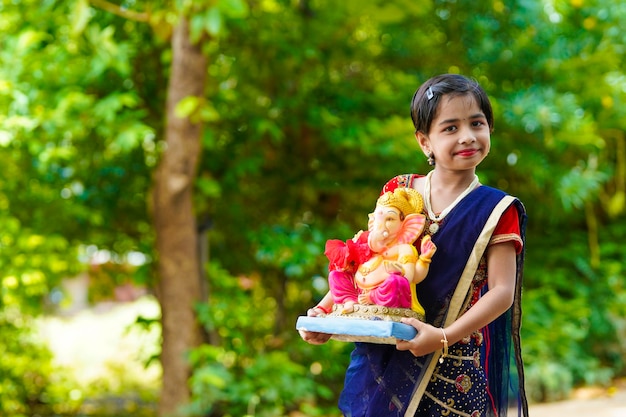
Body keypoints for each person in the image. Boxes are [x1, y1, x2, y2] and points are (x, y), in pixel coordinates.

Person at [299, 73, 529, 417]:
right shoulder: (402, 190)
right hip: (383, 356)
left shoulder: (497, 209)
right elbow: (365, 259)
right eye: (450, 128)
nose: (467, 136)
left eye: (476, 123)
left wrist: (443, 336)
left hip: (452, 367)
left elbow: (501, 292)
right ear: (425, 142)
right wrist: (325, 312)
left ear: (489, 128)